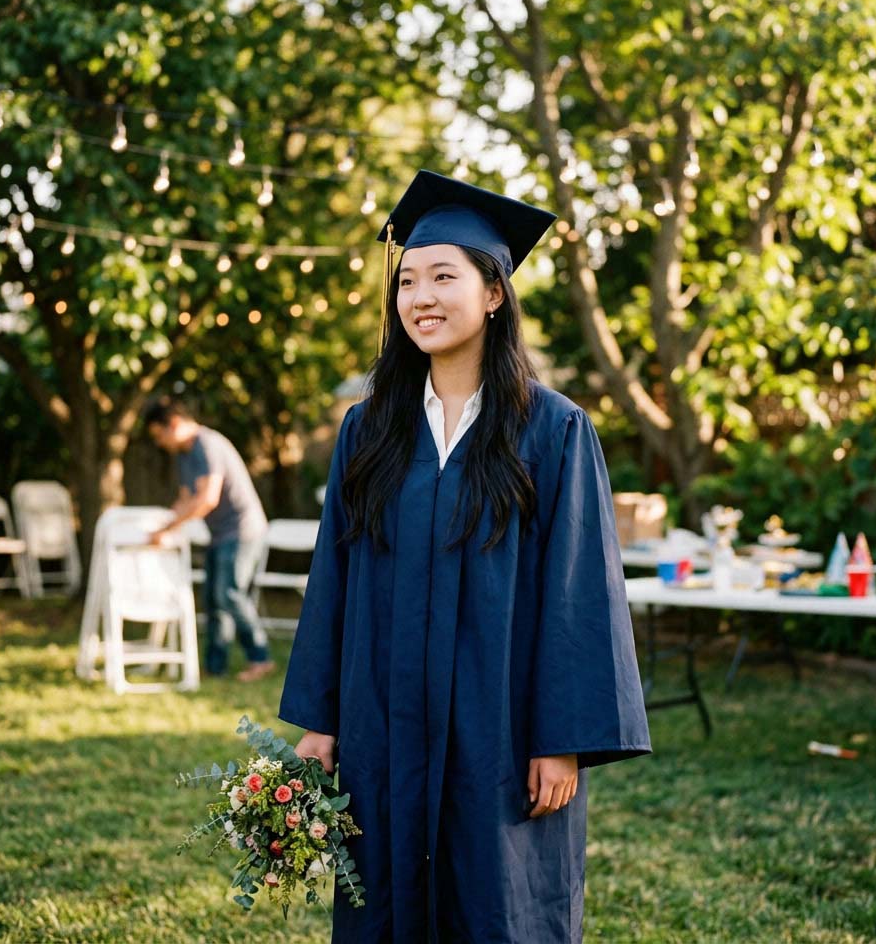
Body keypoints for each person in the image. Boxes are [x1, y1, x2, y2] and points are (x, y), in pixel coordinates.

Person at [279, 171, 651, 942]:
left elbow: (578, 592)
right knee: (385, 894)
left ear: (493, 294)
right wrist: (318, 722)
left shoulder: (552, 430)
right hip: (383, 717)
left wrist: (561, 739)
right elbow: (334, 577)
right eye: (408, 280)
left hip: (502, 725)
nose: (420, 296)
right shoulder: (369, 429)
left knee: (497, 900)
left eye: (444, 276)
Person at [145, 397, 275, 682]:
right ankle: (215, 666)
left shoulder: (207, 444)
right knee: (213, 600)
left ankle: (260, 658)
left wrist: (169, 530)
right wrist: (162, 525)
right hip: (220, 533)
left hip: (242, 529)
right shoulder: (184, 454)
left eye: (159, 434)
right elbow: (185, 499)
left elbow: (207, 498)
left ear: (174, 424)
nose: (159, 442)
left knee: (230, 594)